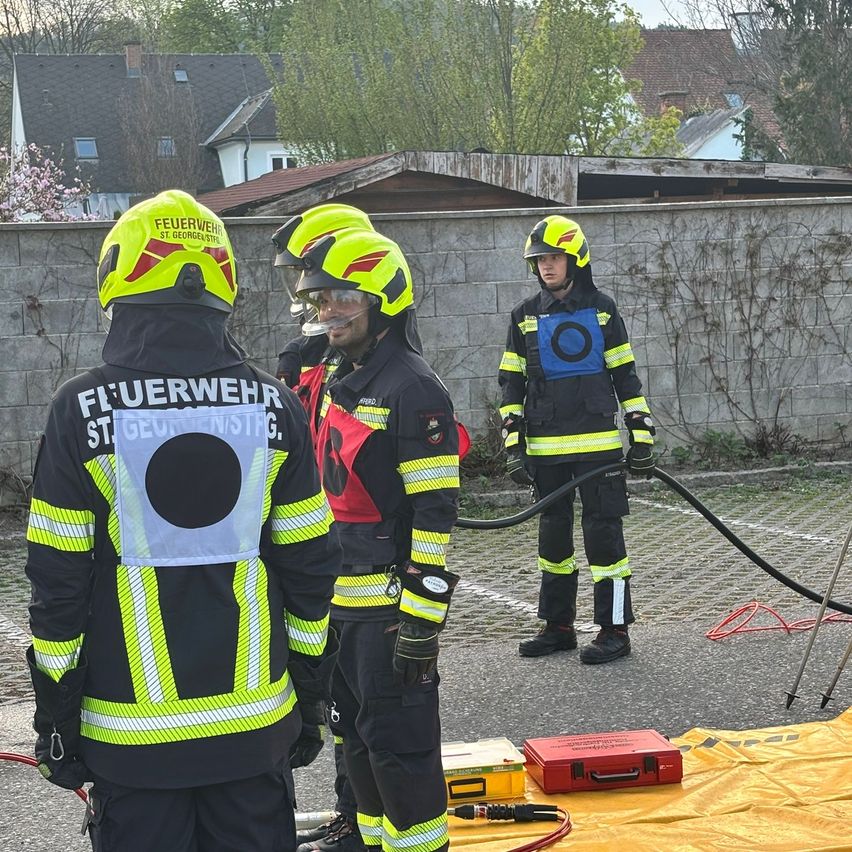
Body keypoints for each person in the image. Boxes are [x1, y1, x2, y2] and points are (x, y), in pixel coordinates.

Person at [24, 189, 342, 852]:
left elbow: (58, 585)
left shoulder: (81, 410)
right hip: (254, 730)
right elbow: (310, 570)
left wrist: (56, 717)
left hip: (130, 741)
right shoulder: (275, 406)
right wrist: (310, 699)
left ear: (120, 276)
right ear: (222, 282)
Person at [294, 228, 460, 852]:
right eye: (319, 299)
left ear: (384, 299)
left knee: (400, 752)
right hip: (340, 611)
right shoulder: (344, 376)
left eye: (341, 298)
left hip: (389, 613)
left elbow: (434, 513)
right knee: (355, 742)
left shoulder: (413, 390)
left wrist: (421, 619)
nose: (326, 312)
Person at [498, 214, 655, 664]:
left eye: (554, 258)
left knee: (605, 541)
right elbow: (511, 383)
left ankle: (615, 630)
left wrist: (641, 433)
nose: (547, 266)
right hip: (546, 448)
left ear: (575, 259)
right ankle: (558, 627)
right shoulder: (524, 316)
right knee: (553, 542)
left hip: (599, 447)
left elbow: (625, 374)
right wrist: (514, 445)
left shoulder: (603, 310)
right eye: (540, 260)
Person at [271, 203, 375, 852]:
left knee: (370, 711)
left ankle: (363, 817)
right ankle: (349, 815)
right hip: (310, 550)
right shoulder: (303, 356)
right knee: (332, 701)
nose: (306, 296)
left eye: (309, 278)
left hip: (365, 560)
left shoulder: (372, 359)